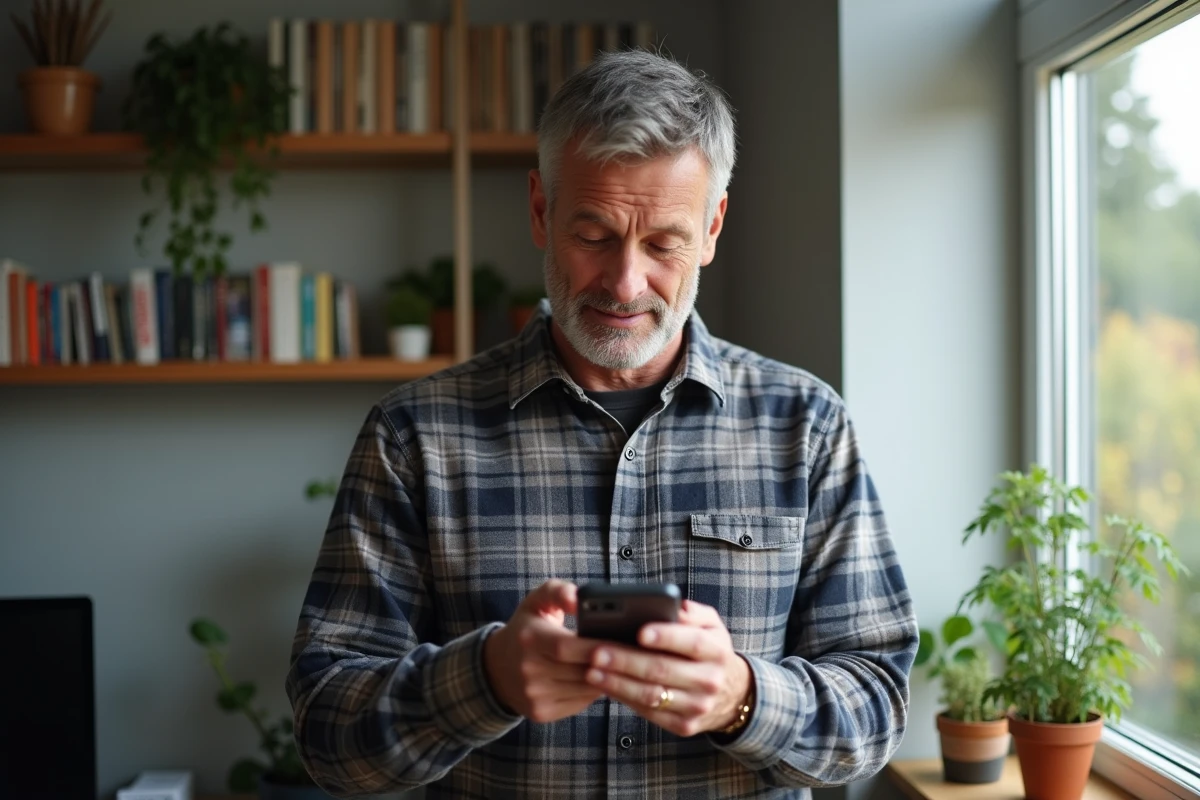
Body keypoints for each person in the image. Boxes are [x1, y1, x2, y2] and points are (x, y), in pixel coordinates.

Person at [286, 49, 918, 799]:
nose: (624, 283)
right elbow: (328, 735)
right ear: (540, 211)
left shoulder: (806, 427)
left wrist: (742, 699)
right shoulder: (414, 436)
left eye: (663, 243)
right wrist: (484, 681)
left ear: (712, 227)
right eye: (593, 235)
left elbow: (876, 711)